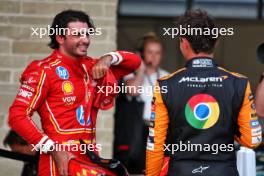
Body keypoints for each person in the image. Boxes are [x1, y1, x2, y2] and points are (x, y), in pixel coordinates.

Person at [8, 10, 141, 176]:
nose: (85, 40)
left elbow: (134, 62)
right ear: (60, 38)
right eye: (77, 35)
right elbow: (17, 115)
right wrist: (52, 148)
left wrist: (108, 58)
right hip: (58, 161)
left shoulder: (93, 66)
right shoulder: (43, 70)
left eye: (87, 34)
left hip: (90, 158)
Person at [146, 9, 262, 176]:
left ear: (183, 42)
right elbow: (252, 140)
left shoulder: (166, 84)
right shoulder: (239, 83)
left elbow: (155, 145)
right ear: (216, 42)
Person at [113, 32, 169, 174]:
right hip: (135, 129)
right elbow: (133, 91)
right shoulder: (131, 75)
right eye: (150, 52)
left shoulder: (166, 76)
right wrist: (140, 68)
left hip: (157, 129)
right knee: (132, 166)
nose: (153, 57)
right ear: (142, 54)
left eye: (157, 53)